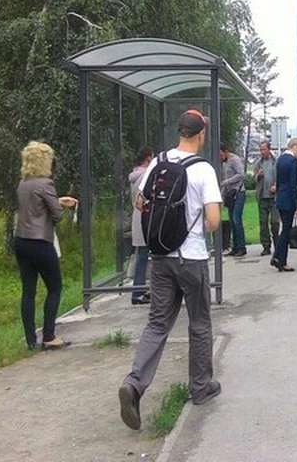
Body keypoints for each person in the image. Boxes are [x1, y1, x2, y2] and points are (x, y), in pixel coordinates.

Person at [119, 109, 223, 431]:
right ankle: (200, 387)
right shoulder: (203, 169)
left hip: (160, 258)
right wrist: (195, 229)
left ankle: (134, 384)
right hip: (190, 258)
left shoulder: (159, 160)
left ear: (180, 132)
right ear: (201, 134)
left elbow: (140, 201)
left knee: (157, 324)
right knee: (200, 323)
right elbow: (215, 220)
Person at [14, 141, 78, 351]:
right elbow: (56, 215)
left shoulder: (23, 183)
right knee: (55, 287)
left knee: (28, 290)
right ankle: (49, 335)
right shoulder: (45, 184)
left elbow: (35, 207)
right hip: (41, 241)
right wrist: (59, 204)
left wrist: (56, 200)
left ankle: (30, 340)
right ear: (45, 162)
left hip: (21, 241)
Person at [272, 137, 297, 272]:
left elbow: (278, 181)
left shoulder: (280, 159)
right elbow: (293, 184)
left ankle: (277, 257)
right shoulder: (292, 161)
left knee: (284, 229)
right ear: (295, 147)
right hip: (289, 200)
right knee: (286, 230)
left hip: (280, 198)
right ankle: (281, 260)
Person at [128, 146, 154, 305]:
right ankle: (138, 291)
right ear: (149, 159)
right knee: (145, 256)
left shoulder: (134, 175)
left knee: (142, 256)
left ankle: (139, 290)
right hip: (145, 217)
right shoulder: (146, 175)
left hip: (137, 218)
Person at [219, 143, 247, 257]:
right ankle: (235, 247)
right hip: (230, 194)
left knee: (236, 219)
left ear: (225, 151)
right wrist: (222, 196)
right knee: (231, 220)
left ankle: (241, 246)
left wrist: (227, 181)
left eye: (220, 154)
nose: (220, 157)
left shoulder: (234, 159)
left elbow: (241, 174)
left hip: (238, 193)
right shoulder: (225, 163)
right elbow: (224, 181)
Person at [252, 140, 278, 256]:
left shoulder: (275, 162)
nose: (262, 152)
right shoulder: (258, 163)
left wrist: (276, 185)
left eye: (264, 149)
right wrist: (258, 176)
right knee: (263, 223)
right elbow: (253, 178)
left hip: (274, 198)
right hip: (262, 196)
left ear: (269, 149)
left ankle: (278, 244)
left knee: (275, 222)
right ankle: (266, 246)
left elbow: (281, 176)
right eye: (260, 149)